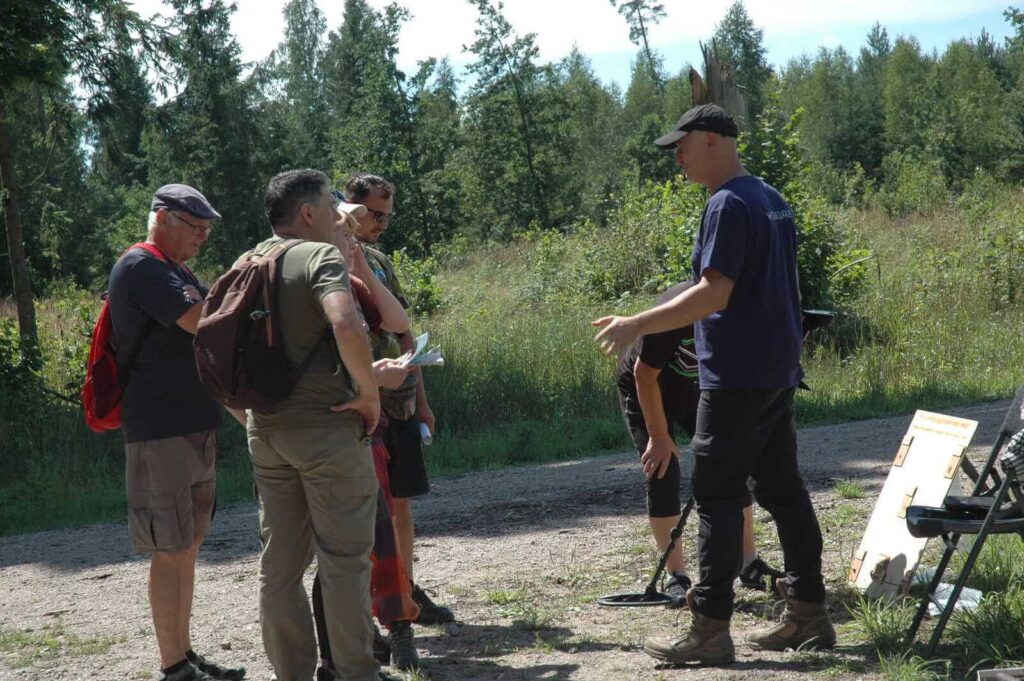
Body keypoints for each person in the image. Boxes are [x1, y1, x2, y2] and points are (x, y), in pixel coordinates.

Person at [594, 104, 835, 665]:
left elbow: (713, 294)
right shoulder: (770, 198)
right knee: (782, 490)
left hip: (737, 376)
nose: (675, 156)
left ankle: (709, 628)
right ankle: (808, 613)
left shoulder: (727, 203)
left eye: (681, 145)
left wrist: (637, 323)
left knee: (717, 497)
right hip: (776, 370)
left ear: (710, 140)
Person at [245, 169, 381, 681]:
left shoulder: (246, 262)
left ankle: (292, 675)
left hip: (267, 434)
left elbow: (212, 354)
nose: (336, 212)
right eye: (330, 204)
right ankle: (355, 673)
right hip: (327, 431)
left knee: (279, 567)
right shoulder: (319, 256)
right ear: (306, 213)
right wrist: (368, 395)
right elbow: (345, 323)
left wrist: (251, 420)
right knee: (345, 559)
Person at [107, 184, 245, 681]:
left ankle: (185, 655)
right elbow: (199, 322)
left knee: (187, 546)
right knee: (170, 550)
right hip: (160, 429)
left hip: (193, 425)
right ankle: (173, 665)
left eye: (207, 230)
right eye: (196, 228)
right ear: (162, 218)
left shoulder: (177, 270)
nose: (203, 238)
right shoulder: (142, 266)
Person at [617, 280, 783, 607]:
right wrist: (659, 436)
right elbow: (644, 375)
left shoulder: (744, 307)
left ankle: (748, 564)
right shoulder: (677, 309)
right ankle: (675, 575)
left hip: (699, 391)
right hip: (648, 389)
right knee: (663, 469)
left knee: (730, 465)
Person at [311, 200, 423, 676]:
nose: (351, 238)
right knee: (332, 550)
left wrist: (359, 266)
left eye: (353, 233)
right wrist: (372, 379)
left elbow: (398, 324)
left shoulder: (352, 281)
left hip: (363, 431)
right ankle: (337, 653)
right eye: (344, 232)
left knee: (378, 535)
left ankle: (398, 631)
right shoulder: (301, 287)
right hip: (323, 432)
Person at [342, 174, 455, 626]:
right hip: (359, 400)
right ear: (349, 209)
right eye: (374, 214)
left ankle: (406, 589)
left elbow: (405, 332)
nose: (382, 224)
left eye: (388, 215)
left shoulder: (380, 262)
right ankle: (373, 601)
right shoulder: (327, 259)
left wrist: (421, 399)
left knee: (402, 501)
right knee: (368, 509)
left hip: (400, 400)